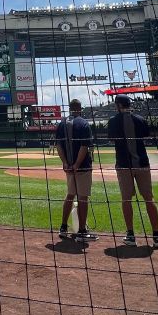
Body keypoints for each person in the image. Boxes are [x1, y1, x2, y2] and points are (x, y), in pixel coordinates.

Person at [107, 97, 158, 248]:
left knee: (126, 199)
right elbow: (146, 134)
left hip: (124, 164)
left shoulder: (113, 121)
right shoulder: (139, 119)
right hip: (142, 163)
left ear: (118, 105)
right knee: (149, 199)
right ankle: (156, 236)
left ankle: (130, 235)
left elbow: (111, 139)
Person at [55, 99, 94, 241]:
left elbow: (59, 146)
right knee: (82, 198)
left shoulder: (62, 123)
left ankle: (63, 227)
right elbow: (85, 146)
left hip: (69, 167)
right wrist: (77, 164)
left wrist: (65, 163)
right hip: (82, 166)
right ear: (80, 108)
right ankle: (82, 231)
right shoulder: (83, 123)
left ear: (70, 108)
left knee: (70, 195)